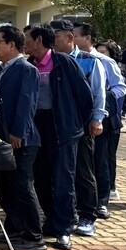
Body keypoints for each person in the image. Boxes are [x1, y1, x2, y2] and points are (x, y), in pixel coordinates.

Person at [25, 25, 92, 250]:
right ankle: (52, 221)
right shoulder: (29, 65)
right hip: (37, 127)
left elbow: (84, 97)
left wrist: (75, 125)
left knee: (64, 180)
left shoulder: (64, 63)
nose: (25, 43)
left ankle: (64, 229)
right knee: (41, 178)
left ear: (39, 41)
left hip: (63, 128)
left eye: (28, 39)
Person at [0, 25, 44, 250]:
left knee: (22, 186)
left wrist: (18, 132)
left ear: (11, 44)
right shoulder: (3, 69)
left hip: (22, 139)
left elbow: (27, 103)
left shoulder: (26, 69)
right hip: (4, 137)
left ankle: (34, 235)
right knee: (5, 186)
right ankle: (15, 228)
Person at [50, 19, 105, 238]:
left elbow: (98, 93)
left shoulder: (89, 61)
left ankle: (87, 215)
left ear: (69, 37)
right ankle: (64, 213)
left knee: (83, 170)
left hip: (81, 125)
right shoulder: (49, 60)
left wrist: (97, 119)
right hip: (56, 124)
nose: (51, 42)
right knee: (59, 172)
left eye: (54, 38)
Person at [74, 23, 125, 219]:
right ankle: (83, 201)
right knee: (84, 164)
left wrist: (103, 97)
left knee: (101, 161)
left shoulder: (103, 61)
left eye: (75, 35)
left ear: (86, 38)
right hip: (80, 120)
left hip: (102, 118)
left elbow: (121, 88)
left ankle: (102, 202)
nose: (72, 38)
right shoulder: (73, 60)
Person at [97, 39, 125, 201]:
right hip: (99, 119)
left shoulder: (116, 73)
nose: (99, 56)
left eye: (103, 53)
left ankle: (111, 187)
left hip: (112, 120)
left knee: (108, 155)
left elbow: (119, 97)